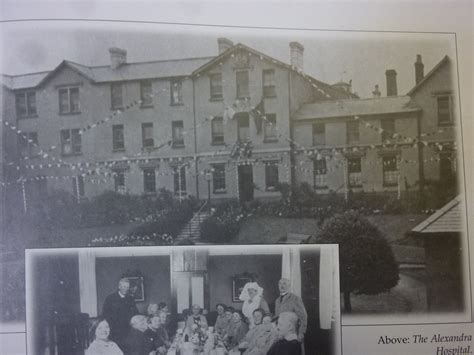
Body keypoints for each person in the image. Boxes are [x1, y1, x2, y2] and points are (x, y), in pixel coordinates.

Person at [102, 278, 139, 348]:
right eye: (124, 287)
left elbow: (136, 314)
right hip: (115, 332)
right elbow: (106, 315)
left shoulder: (130, 299)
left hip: (128, 331)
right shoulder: (110, 298)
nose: (126, 289)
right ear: (119, 286)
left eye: (127, 287)